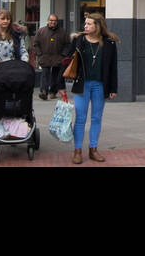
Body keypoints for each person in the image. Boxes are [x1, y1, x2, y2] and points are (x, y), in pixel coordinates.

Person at [63, 13, 118, 164]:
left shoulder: (109, 43)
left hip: (100, 85)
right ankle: (77, 150)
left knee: (96, 118)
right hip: (82, 84)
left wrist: (113, 88)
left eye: (89, 24)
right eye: (85, 24)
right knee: (80, 118)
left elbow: (113, 67)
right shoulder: (79, 40)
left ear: (97, 26)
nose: (85, 26)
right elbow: (66, 59)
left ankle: (93, 149)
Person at [35, 13, 69, 100]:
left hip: (58, 57)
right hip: (45, 57)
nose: (52, 22)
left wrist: (63, 55)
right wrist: (39, 54)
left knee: (56, 75)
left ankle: (53, 91)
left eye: (54, 21)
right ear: (48, 21)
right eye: (51, 20)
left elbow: (67, 44)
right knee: (45, 74)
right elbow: (36, 44)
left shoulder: (62, 32)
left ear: (57, 22)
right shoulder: (41, 31)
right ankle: (43, 92)